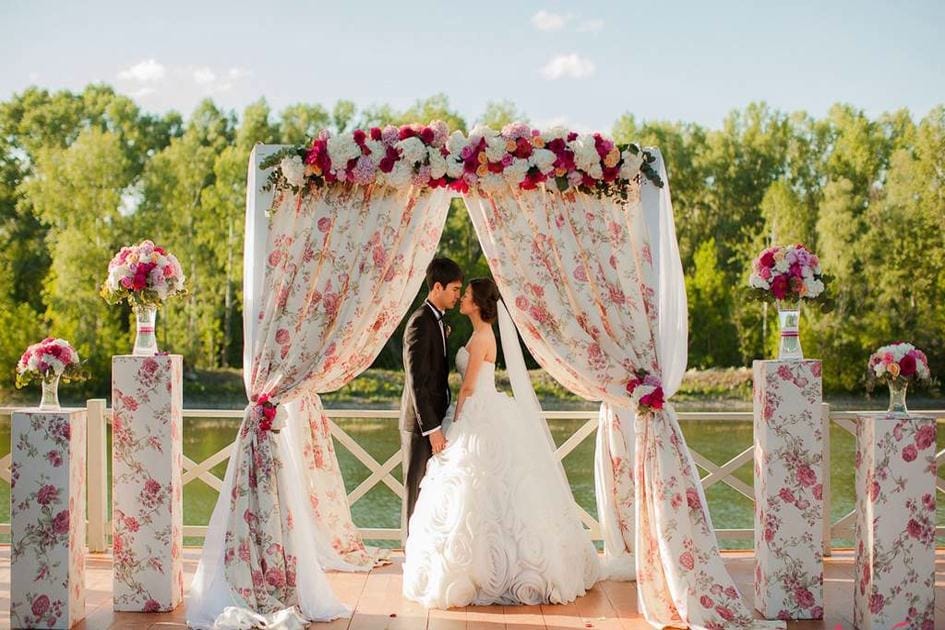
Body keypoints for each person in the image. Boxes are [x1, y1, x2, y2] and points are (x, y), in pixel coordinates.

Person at [402, 277, 600, 608]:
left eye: (465, 295)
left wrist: (459, 419)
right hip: (488, 407)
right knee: (485, 487)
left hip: (478, 410)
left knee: (481, 486)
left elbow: (467, 387)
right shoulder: (479, 335)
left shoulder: (481, 338)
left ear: (477, 304)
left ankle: (491, 567)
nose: (462, 298)